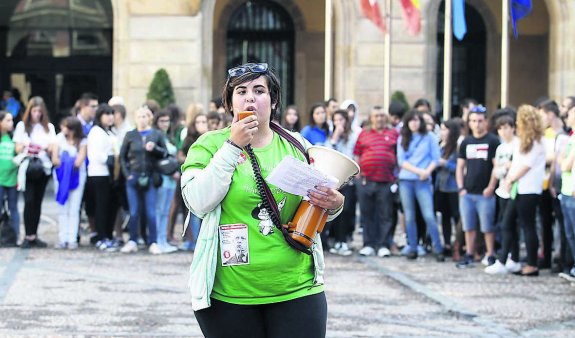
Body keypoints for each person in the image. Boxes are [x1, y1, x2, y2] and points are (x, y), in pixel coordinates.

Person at [181, 62, 344, 338]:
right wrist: (232, 147)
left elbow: (318, 207)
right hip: (231, 296)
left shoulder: (297, 145)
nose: (249, 98)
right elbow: (198, 201)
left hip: (297, 288)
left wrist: (335, 204)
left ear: (273, 100)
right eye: (241, 91)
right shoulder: (209, 145)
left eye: (259, 90)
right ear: (230, 103)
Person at [486, 105, 546, 276]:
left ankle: (531, 264)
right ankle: (509, 259)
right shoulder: (525, 142)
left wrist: (511, 178)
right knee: (509, 223)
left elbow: (526, 166)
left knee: (527, 225)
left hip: (528, 189)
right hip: (519, 189)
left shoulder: (535, 143)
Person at [456, 105, 500, 268]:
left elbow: (496, 167)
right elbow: (460, 166)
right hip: (468, 191)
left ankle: (490, 253)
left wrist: (491, 187)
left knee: (487, 226)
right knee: (469, 225)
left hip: (485, 192)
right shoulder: (466, 141)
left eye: (480, 121)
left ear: (486, 122)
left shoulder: (493, 141)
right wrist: (461, 187)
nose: (477, 124)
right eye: (473, 121)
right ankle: (469, 252)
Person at [119, 106, 167, 255]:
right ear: (135, 118)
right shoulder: (130, 135)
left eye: (145, 116)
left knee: (151, 212)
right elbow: (122, 157)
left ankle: (153, 241)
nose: (142, 119)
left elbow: (165, 153)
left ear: (150, 118)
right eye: (139, 116)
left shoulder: (156, 134)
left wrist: (155, 149)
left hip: (150, 177)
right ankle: (133, 240)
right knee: (134, 211)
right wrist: (127, 174)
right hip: (134, 176)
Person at [397, 110, 444, 261]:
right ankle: (412, 247)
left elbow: (436, 158)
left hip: (423, 180)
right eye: (411, 120)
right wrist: (418, 171)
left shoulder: (429, 137)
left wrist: (427, 172)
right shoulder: (403, 137)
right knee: (409, 216)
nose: (414, 123)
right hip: (406, 179)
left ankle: (438, 247)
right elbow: (401, 161)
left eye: (417, 120)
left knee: (429, 215)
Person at [354, 106, 398, 257]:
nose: (379, 118)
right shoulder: (363, 134)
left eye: (381, 116)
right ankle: (369, 244)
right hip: (366, 180)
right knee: (367, 213)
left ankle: (383, 244)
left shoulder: (393, 133)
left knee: (385, 214)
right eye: (376, 116)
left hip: (386, 180)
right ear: (371, 118)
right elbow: (357, 154)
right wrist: (358, 174)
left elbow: (398, 154)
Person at [13, 96, 56, 248]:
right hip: (28, 167)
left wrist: (42, 147)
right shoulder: (22, 127)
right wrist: (28, 146)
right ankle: (28, 234)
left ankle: (34, 234)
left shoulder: (48, 128)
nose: (37, 114)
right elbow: (17, 147)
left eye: (39, 111)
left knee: (37, 202)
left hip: (42, 167)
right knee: (29, 201)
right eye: (34, 111)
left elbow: (52, 147)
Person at [325, 109, 360, 256]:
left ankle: (344, 240)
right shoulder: (332, 136)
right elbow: (327, 151)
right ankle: (334, 240)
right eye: (336, 120)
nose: (338, 123)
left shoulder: (353, 136)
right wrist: (335, 137)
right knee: (334, 212)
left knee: (347, 211)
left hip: (348, 180)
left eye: (341, 120)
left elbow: (352, 156)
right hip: (334, 180)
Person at [51, 116, 87, 249]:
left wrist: (68, 162)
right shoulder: (59, 138)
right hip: (61, 177)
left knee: (74, 208)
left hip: (77, 176)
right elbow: (55, 158)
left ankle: (72, 238)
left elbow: (80, 159)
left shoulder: (82, 141)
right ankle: (63, 237)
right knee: (63, 207)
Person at [176, 112, 209, 251]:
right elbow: (180, 155)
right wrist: (193, 162)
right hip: (194, 179)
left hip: (209, 180)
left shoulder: (212, 138)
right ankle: (194, 242)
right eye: (198, 122)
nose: (201, 125)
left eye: (204, 121)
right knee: (193, 212)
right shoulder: (190, 140)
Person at [87, 104, 117, 250]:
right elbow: (94, 154)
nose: (110, 117)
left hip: (109, 174)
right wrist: (108, 158)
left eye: (112, 114)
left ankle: (108, 235)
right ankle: (101, 236)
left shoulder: (110, 132)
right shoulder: (96, 132)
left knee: (110, 205)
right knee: (101, 206)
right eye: (107, 114)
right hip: (98, 173)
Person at [153, 109, 179, 253]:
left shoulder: (168, 137)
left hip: (171, 179)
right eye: (161, 121)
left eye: (167, 121)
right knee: (159, 210)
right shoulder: (156, 136)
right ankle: (157, 240)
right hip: (162, 178)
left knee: (165, 211)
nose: (165, 124)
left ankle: (163, 240)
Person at [435, 119, 461, 257]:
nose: (442, 132)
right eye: (441, 129)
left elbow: (460, 167)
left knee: (456, 216)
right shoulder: (439, 145)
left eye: (445, 129)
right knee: (444, 216)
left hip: (453, 186)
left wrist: (445, 163)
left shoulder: (457, 146)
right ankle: (446, 243)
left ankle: (458, 243)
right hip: (440, 186)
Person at [558, 104, 575, 278]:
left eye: (569, 114)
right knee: (569, 233)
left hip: (573, 192)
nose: (567, 117)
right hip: (566, 190)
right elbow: (562, 162)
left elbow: (566, 164)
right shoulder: (570, 137)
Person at [0, 111, 20, 245]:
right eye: (7, 120)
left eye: (12, 120)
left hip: (13, 179)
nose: (11, 123)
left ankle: (15, 236)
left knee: (14, 208)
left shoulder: (14, 137)